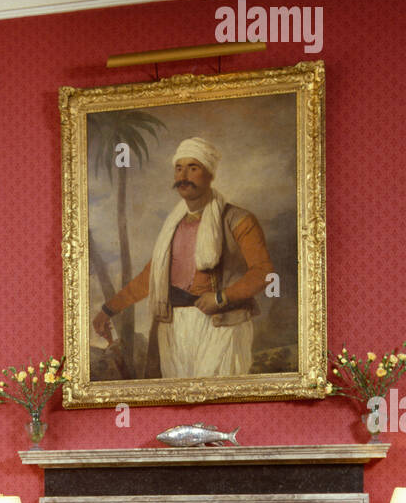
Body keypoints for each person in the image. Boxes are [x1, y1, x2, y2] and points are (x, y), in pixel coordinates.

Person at [92, 137, 273, 378]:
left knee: (221, 399)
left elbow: (264, 274)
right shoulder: (173, 226)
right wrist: (108, 310)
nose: (183, 175)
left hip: (223, 325)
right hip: (174, 328)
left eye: (193, 167)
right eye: (179, 168)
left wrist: (221, 297)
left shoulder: (239, 220)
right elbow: (150, 278)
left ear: (210, 174)